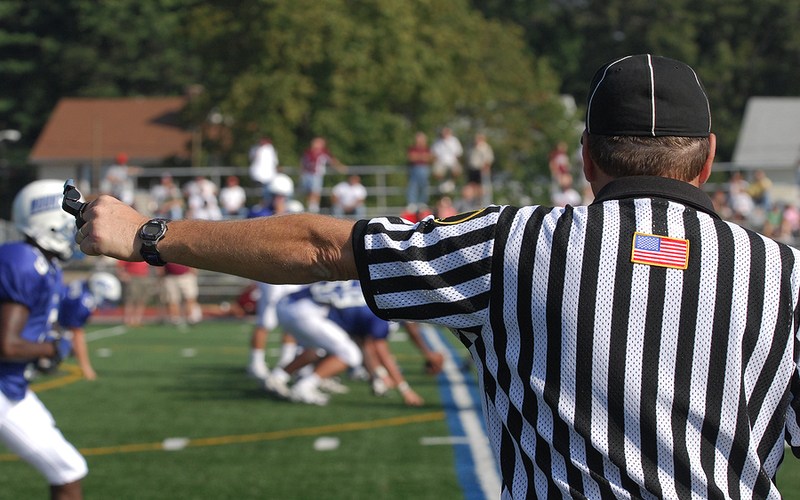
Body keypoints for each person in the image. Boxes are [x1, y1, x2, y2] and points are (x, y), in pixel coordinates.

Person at [74, 54, 800, 498]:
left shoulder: (515, 241)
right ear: (707, 159)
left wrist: (147, 234)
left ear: (586, 158)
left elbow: (326, 248)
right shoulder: (787, 276)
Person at [2, 180, 87, 499]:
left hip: (12, 386)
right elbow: (7, 346)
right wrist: (52, 347)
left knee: (68, 469)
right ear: (47, 220)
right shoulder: (24, 260)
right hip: (2, 387)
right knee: (68, 469)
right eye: (70, 218)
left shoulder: (43, 264)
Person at [245, 173, 301, 381]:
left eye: (282, 195)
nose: (279, 199)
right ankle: (255, 362)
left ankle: (287, 361)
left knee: (293, 318)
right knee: (266, 320)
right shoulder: (258, 213)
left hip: (292, 272)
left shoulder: (294, 211)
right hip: (269, 272)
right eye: (276, 195)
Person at [59, 272, 122, 380]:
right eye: (107, 300)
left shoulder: (83, 287)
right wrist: (86, 367)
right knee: (65, 343)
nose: (107, 304)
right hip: (46, 323)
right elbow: (77, 334)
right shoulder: (84, 302)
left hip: (51, 320)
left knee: (67, 341)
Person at [300, 137, 345, 214]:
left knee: (315, 191)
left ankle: (313, 209)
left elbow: (332, 160)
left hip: (316, 174)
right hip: (307, 174)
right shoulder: (308, 152)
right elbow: (303, 162)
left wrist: (340, 167)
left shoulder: (323, 153)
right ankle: (309, 207)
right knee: (307, 192)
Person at [159, 262, 201, 327]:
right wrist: (161, 274)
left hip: (186, 275)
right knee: (172, 299)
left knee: (190, 297)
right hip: (170, 276)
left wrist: (193, 271)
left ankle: (190, 318)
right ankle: (175, 319)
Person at [117, 260, 152, 328]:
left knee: (141, 300)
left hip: (143, 277)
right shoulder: (132, 254)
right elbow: (120, 265)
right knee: (131, 299)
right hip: (133, 277)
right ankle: (128, 320)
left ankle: (137, 320)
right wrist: (123, 274)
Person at [430, 127, 463, 195]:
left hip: (452, 161)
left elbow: (459, 153)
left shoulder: (454, 141)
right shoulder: (437, 141)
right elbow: (433, 153)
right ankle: (442, 183)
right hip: (441, 162)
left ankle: (451, 182)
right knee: (436, 172)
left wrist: (456, 162)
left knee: (457, 170)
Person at [406, 131, 433, 207]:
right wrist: (423, 157)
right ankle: (413, 203)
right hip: (415, 169)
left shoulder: (427, 148)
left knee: (423, 185)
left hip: (424, 169)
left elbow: (429, 158)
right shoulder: (412, 148)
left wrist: (418, 157)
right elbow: (411, 158)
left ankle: (422, 203)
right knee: (413, 185)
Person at [466, 132, 494, 204]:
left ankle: (481, 202)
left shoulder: (485, 147)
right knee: (472, 187)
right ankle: (473, 202)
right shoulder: (471, 147)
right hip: (472, 170)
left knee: (482, 188)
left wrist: (485, 169)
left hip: (481, 171)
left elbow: (488, 160)